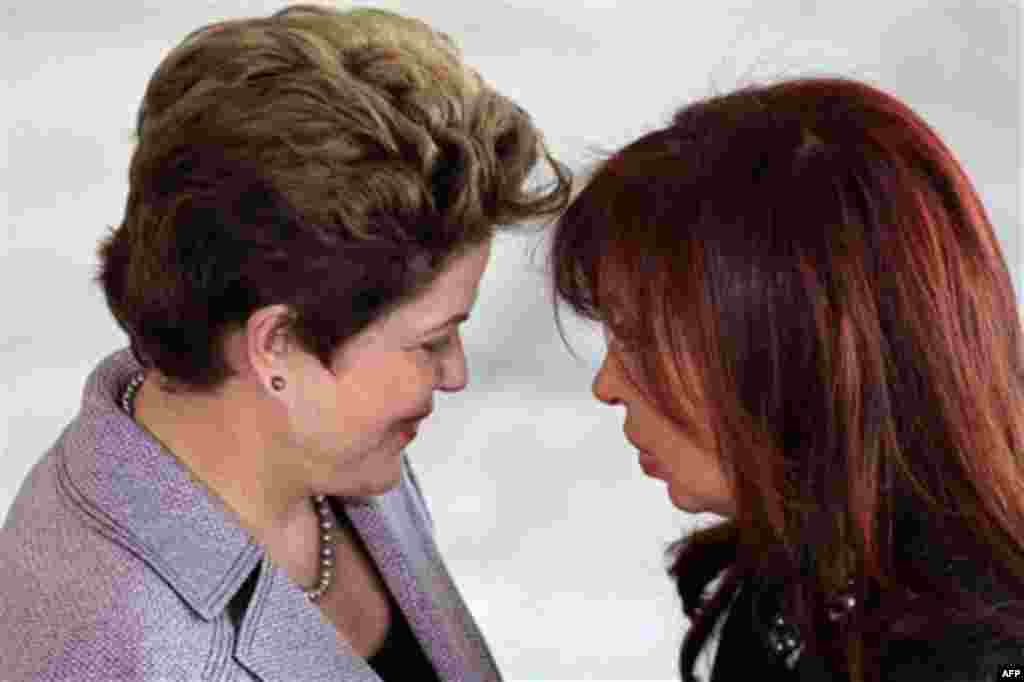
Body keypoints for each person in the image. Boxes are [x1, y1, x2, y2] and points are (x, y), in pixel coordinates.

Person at [0, 5, 569, 680]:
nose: (455, 374)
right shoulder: (112, 649)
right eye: (434, 340)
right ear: (275, 344)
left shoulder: (328, 445)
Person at [548, 77, 1024, 681]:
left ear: (797, 343)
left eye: (637, 338)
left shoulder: (986, 659)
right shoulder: (793, 582)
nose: (607, 385)